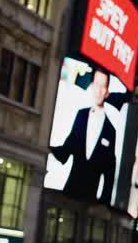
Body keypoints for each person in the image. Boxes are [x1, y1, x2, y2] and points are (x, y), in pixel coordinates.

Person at [48, 69, 118, 202]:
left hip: (90, 199)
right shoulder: (81, 115)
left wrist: (103, 202)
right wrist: (47, 147)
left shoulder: (110, 131)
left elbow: (109, 171)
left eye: (102, 86)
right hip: (70, 190)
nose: (98, 90)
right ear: (91, 86)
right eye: (96, 85)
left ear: (107, 92)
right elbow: (67, 148)